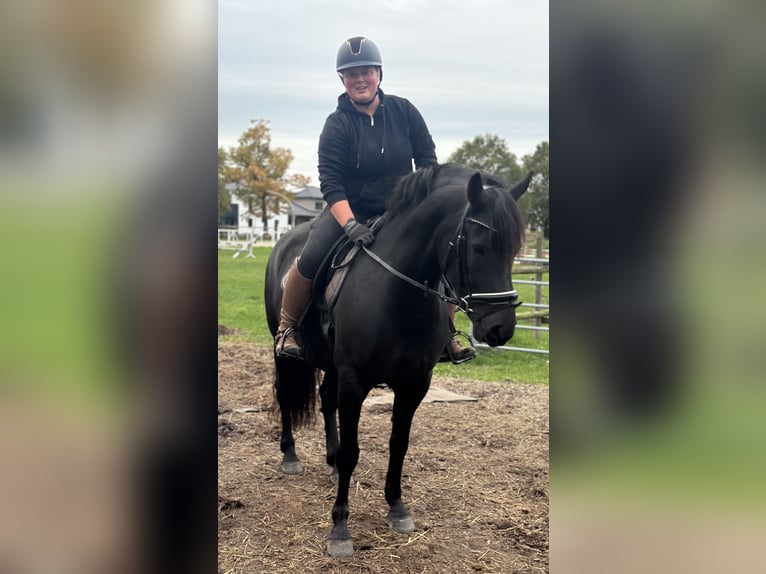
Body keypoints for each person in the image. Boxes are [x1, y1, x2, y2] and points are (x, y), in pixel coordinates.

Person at [274, 35, 475, 364]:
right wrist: (350, 223)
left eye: (365, 71)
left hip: (402, 211)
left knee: (441, 256)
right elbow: (331, 182)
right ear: (343, 80)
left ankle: (448, 332)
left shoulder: (405, 111)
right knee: (310, 257)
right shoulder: (336, 125)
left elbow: (427, 162)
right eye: (351, 74)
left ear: (379, 74)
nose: (359, 79)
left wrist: (423, 207)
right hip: (348, 211)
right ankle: (288, 328)